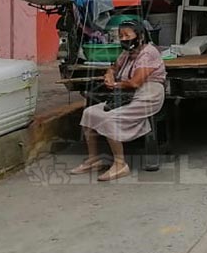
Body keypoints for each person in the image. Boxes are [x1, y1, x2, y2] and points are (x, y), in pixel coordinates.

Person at [70, 20, 166, 181]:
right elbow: (114, 67)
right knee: (89, 113)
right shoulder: (128, 52)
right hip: (126, 93)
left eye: (127, 35)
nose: (123, 38)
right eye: (121, 36)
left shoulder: (148, 52)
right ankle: (93, 159)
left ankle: (120, 164)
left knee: (109, 119)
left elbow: (135, 82)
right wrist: (109, 75)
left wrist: (115, 84)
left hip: (148, 95)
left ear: (140, 36)